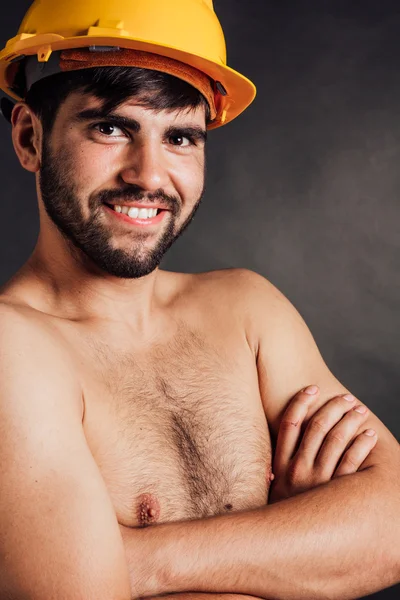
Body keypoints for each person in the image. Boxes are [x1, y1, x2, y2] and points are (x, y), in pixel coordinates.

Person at [0, 1, 398, 599]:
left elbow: (393, 522)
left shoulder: (246, 311)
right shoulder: (13, 351)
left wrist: (135, 562)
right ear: (31, 137)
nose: (150, 176)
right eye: (111, 127)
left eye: (181, 136)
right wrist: (292, 545)